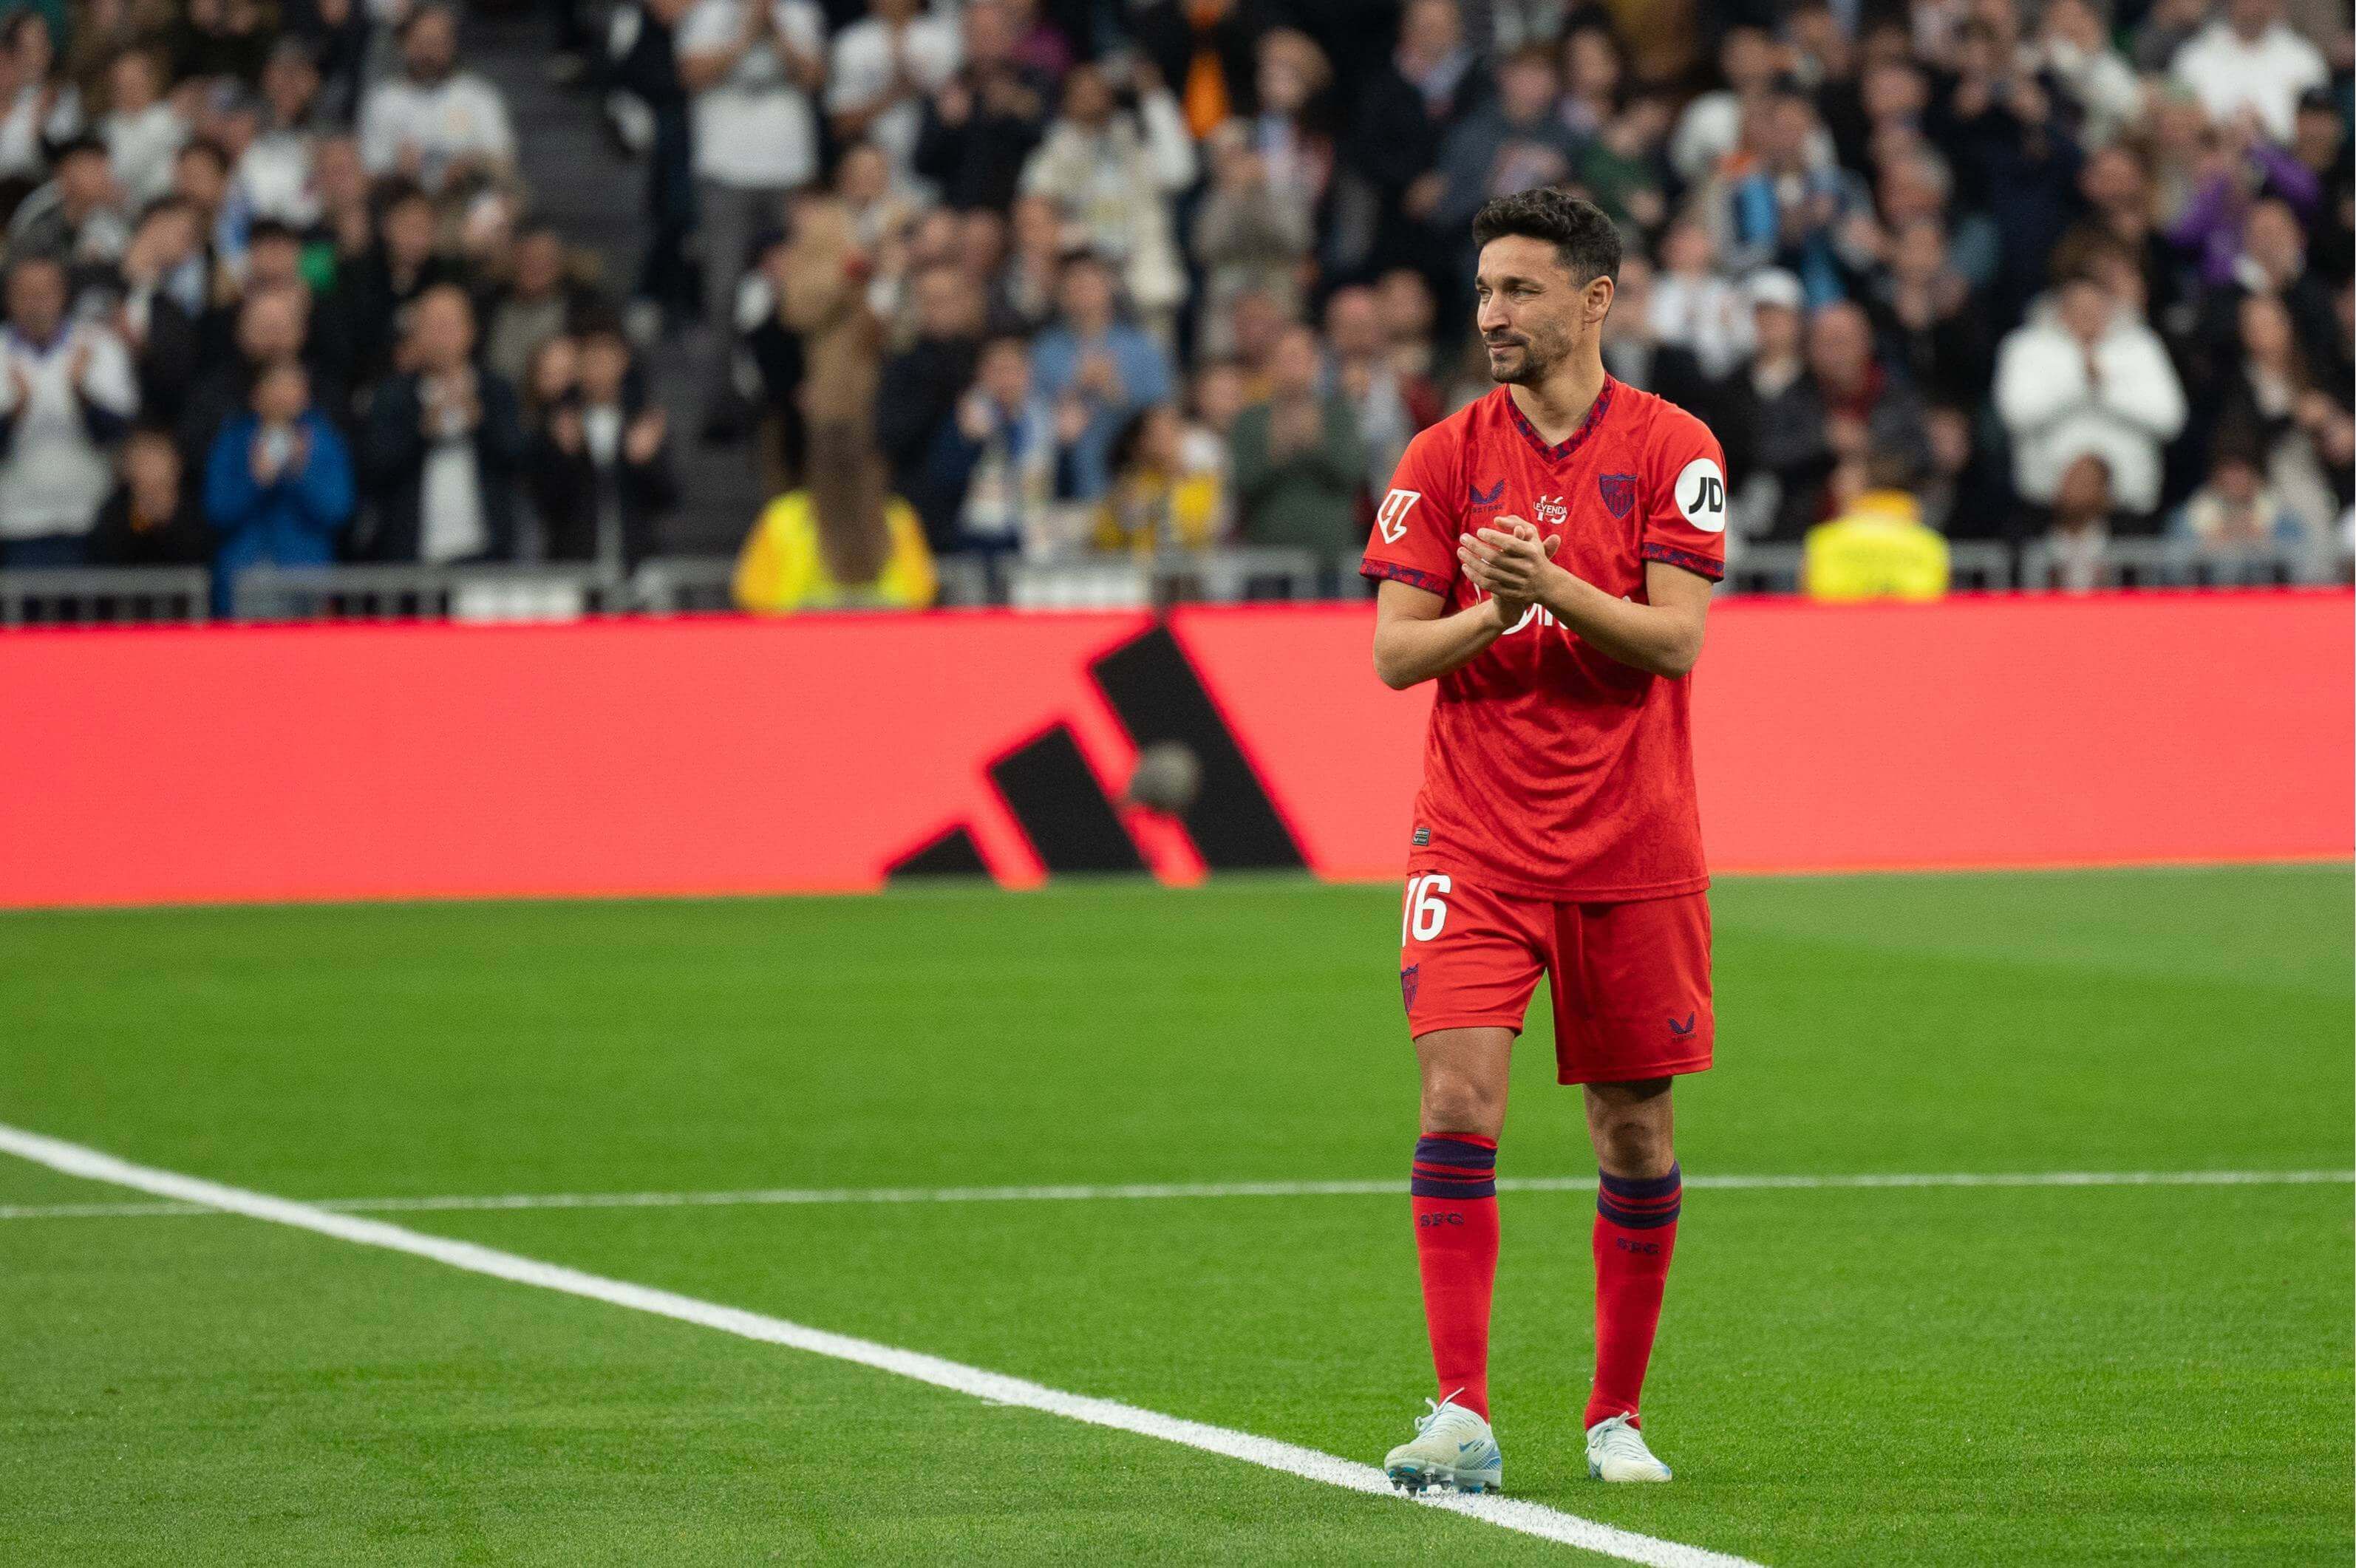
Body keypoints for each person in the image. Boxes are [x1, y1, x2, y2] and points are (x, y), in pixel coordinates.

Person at [1359, 188, 1726, 1495]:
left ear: (1593, 300)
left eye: (1517, 289)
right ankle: (1458, 1408)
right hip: (1471, 837)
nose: (1490, 314)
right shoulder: (1442, 455)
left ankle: (1612, 1413)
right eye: (1482, 289)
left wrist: (1548, 586)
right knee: (1455, 1096)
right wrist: (1489, 612)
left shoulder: (1674, 444)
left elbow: (1675, 640)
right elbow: (1396, 653)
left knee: (1631, 1129)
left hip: (1631, 844)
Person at [358, 284, 525, 563]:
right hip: (412, 558)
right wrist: (421, 432)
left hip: (485, 556)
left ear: (471, 331)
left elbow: (518, 457)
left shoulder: (496, 391)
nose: (442, 337)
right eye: (432, 326)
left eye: (449, 325)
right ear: (417, 335)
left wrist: (480, 422)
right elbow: (375, 467)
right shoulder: (393, 395)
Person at [0, 253, 139, 566]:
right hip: (16, 523)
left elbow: (119, 436)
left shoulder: (100, 347)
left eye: (45, 292)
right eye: (27, 294)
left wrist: (82, 396)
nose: (37, 303)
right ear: (10, 298)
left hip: (89, 520)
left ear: (63, 294)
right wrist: (13, 415)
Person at [203, 356, 353, 613]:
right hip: (244, 580)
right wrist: (255, 482)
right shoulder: (233, 440)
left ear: (305, 395)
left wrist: (301, 474)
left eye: (292, 385)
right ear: (256, 394)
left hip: (306, 580)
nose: (282, 395)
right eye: (275, 384)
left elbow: (338, 509)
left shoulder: (324, 441)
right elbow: (216, 511)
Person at [527, 318, 677, 570]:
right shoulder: (557, 422)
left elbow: (668, 498)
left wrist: (646, 461)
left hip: (634, 564)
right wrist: (566, 456)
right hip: (575, 565)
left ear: (623, 360)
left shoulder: (643, 421)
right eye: (591, 358)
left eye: (606, 358)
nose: (599, 369)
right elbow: (544, 503)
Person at [1802, 443, 1950, 600]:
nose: (1834, 482)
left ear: (1861, 484)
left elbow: (1809, 603)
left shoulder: (1824, 542)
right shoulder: (1930, 544)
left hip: (1841, 623)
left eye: (1843, 477)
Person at [89, 424, 210, 566]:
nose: (148, 465)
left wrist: (167, 518)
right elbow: (107, 557)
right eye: (141, 457)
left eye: (156, 455)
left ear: (176, 462)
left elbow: (198, 554)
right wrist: (139, 519)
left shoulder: (198, 504)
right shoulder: (115, 509)